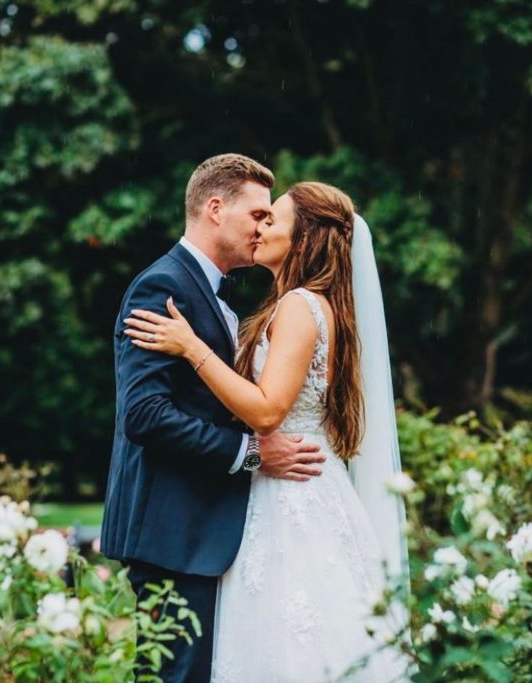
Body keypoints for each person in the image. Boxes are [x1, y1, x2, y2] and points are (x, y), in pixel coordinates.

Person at [125, 180, 409, 682]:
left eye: (272, 219)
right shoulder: (312, 306)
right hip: (293, 488)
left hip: (290, 493)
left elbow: (267, 411)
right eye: (259, 216)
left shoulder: (300, 305)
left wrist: (192, 347)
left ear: (305, 237)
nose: (261, 228)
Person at [100, 154, 328, 683]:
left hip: (205, 533)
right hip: (172, 533)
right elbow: (145, 414)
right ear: (215, 208)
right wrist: (251, 452)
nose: (263, 227)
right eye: (257, 215)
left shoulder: (218, 293)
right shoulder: (161, 287)